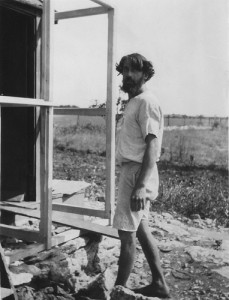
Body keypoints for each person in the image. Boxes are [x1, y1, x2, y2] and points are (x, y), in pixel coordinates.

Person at [113, 53, 170, 298]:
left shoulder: (147, 101)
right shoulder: (134, 101)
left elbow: (152, 147)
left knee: (126, 235)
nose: (128, 75)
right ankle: (159, 284)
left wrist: (139, 186)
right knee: (141, 229)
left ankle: (117, 292)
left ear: (145, 74)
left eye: (134, 70)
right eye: (124, 70)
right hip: (133, 171)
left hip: (137, 173)